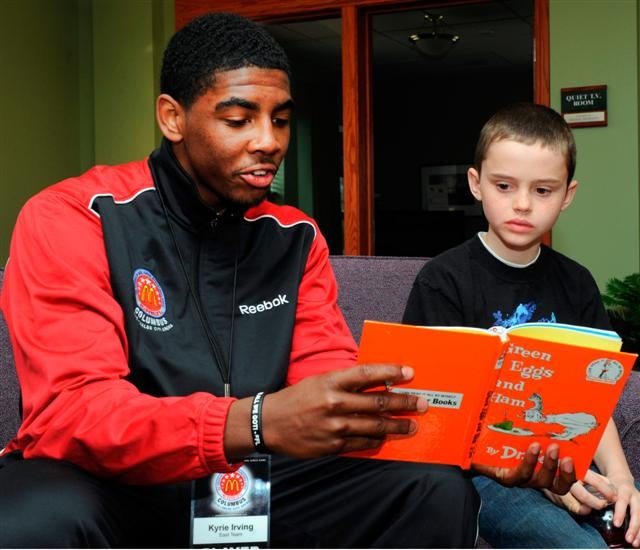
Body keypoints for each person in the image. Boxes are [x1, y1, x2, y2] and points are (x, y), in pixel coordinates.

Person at [0, 15, 575, 548]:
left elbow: (332, 383)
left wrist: (475, 449)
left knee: (432, 487)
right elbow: (73, 412)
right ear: (172, 117)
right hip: (119, 488)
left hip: (255, 483)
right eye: (238, 119)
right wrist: (253, 420)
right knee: (35, 516)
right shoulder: (77, 216)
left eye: (279, 119)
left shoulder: (294, 235)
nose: (269, 141)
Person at [403, 102, 640, 548]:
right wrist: (540, 480)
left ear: (568, 195)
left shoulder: (577, 282)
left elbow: (596, 401)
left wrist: (623, 478)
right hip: (485, 478)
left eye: (543, 190)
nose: (523, 204)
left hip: (570, 461)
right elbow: (431, 412)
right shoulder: (443, 280)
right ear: (476, 184)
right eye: (505, 185)